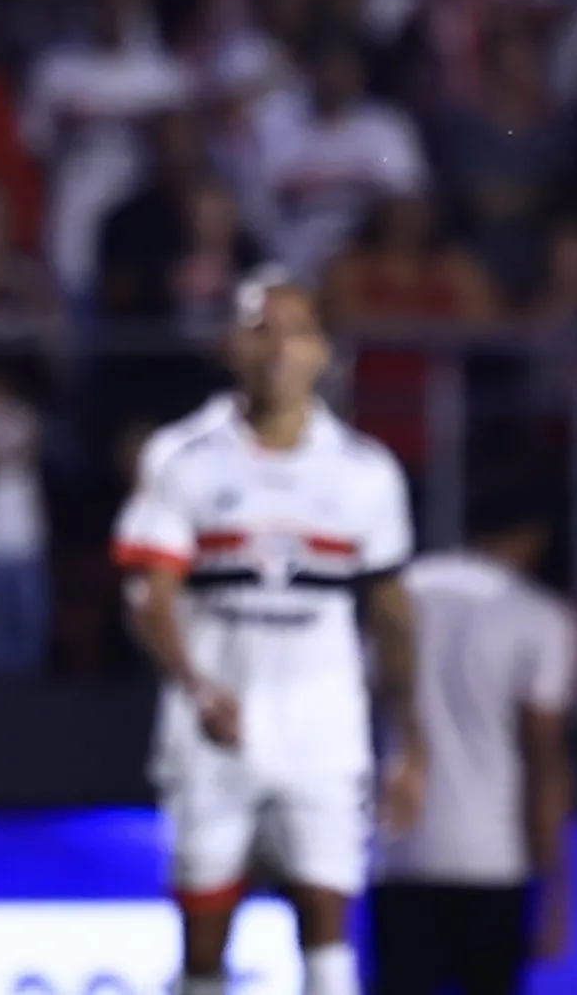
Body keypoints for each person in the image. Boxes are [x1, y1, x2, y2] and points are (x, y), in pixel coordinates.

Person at [112, 270, 427, 995]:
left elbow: (390, 611)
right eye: (261, 328)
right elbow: (147, 597)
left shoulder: (364, 472)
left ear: (324, 352)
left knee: (326, 919)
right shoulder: (182, 457)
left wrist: (409, 737)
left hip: (323, 725)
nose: (280, 348)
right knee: (204, 933)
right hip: (213, 725)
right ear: (229, 344)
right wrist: (195, 685)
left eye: (298, 330)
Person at [371, 500, 577, 995]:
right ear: (532, 538)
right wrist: (555, 890)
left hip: (401, 853)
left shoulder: (398, 599)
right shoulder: (538, 616)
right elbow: (543, 761)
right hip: (494, 859)